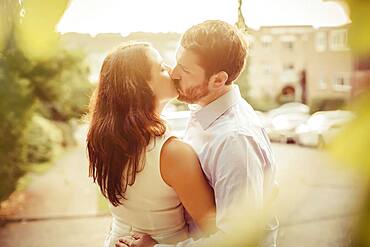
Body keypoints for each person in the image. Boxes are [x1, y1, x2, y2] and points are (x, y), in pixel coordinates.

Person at [116, 20, 279, 247]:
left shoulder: (236, 140)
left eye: (186, 69)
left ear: (218, 80)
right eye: (176, 63)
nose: (173, 73)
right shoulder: (204, 111)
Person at [86, 41, 217, 247]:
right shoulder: (172, 153)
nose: (172, 72)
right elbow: (216, 232)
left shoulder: (101, 140)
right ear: (143, 86)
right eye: (162, 67)